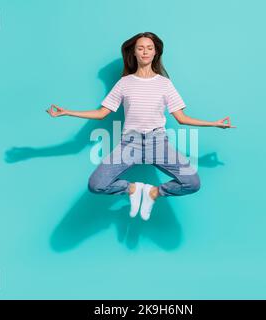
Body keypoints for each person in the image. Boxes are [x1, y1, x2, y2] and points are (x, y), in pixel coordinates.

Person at [46, 32, 236, 221]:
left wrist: (214, 124)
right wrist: (67, 112)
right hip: (130, 143)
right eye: (140, 48)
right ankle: (134, 189)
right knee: (96, 184)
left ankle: (153, 193)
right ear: (134, 53)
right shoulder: (124, 83)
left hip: (157, 143)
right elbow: (101, 113)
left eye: (149, 48)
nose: (145, 51)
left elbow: (182, 118)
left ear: (155, 53)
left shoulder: (164, 84)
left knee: (192, 183)